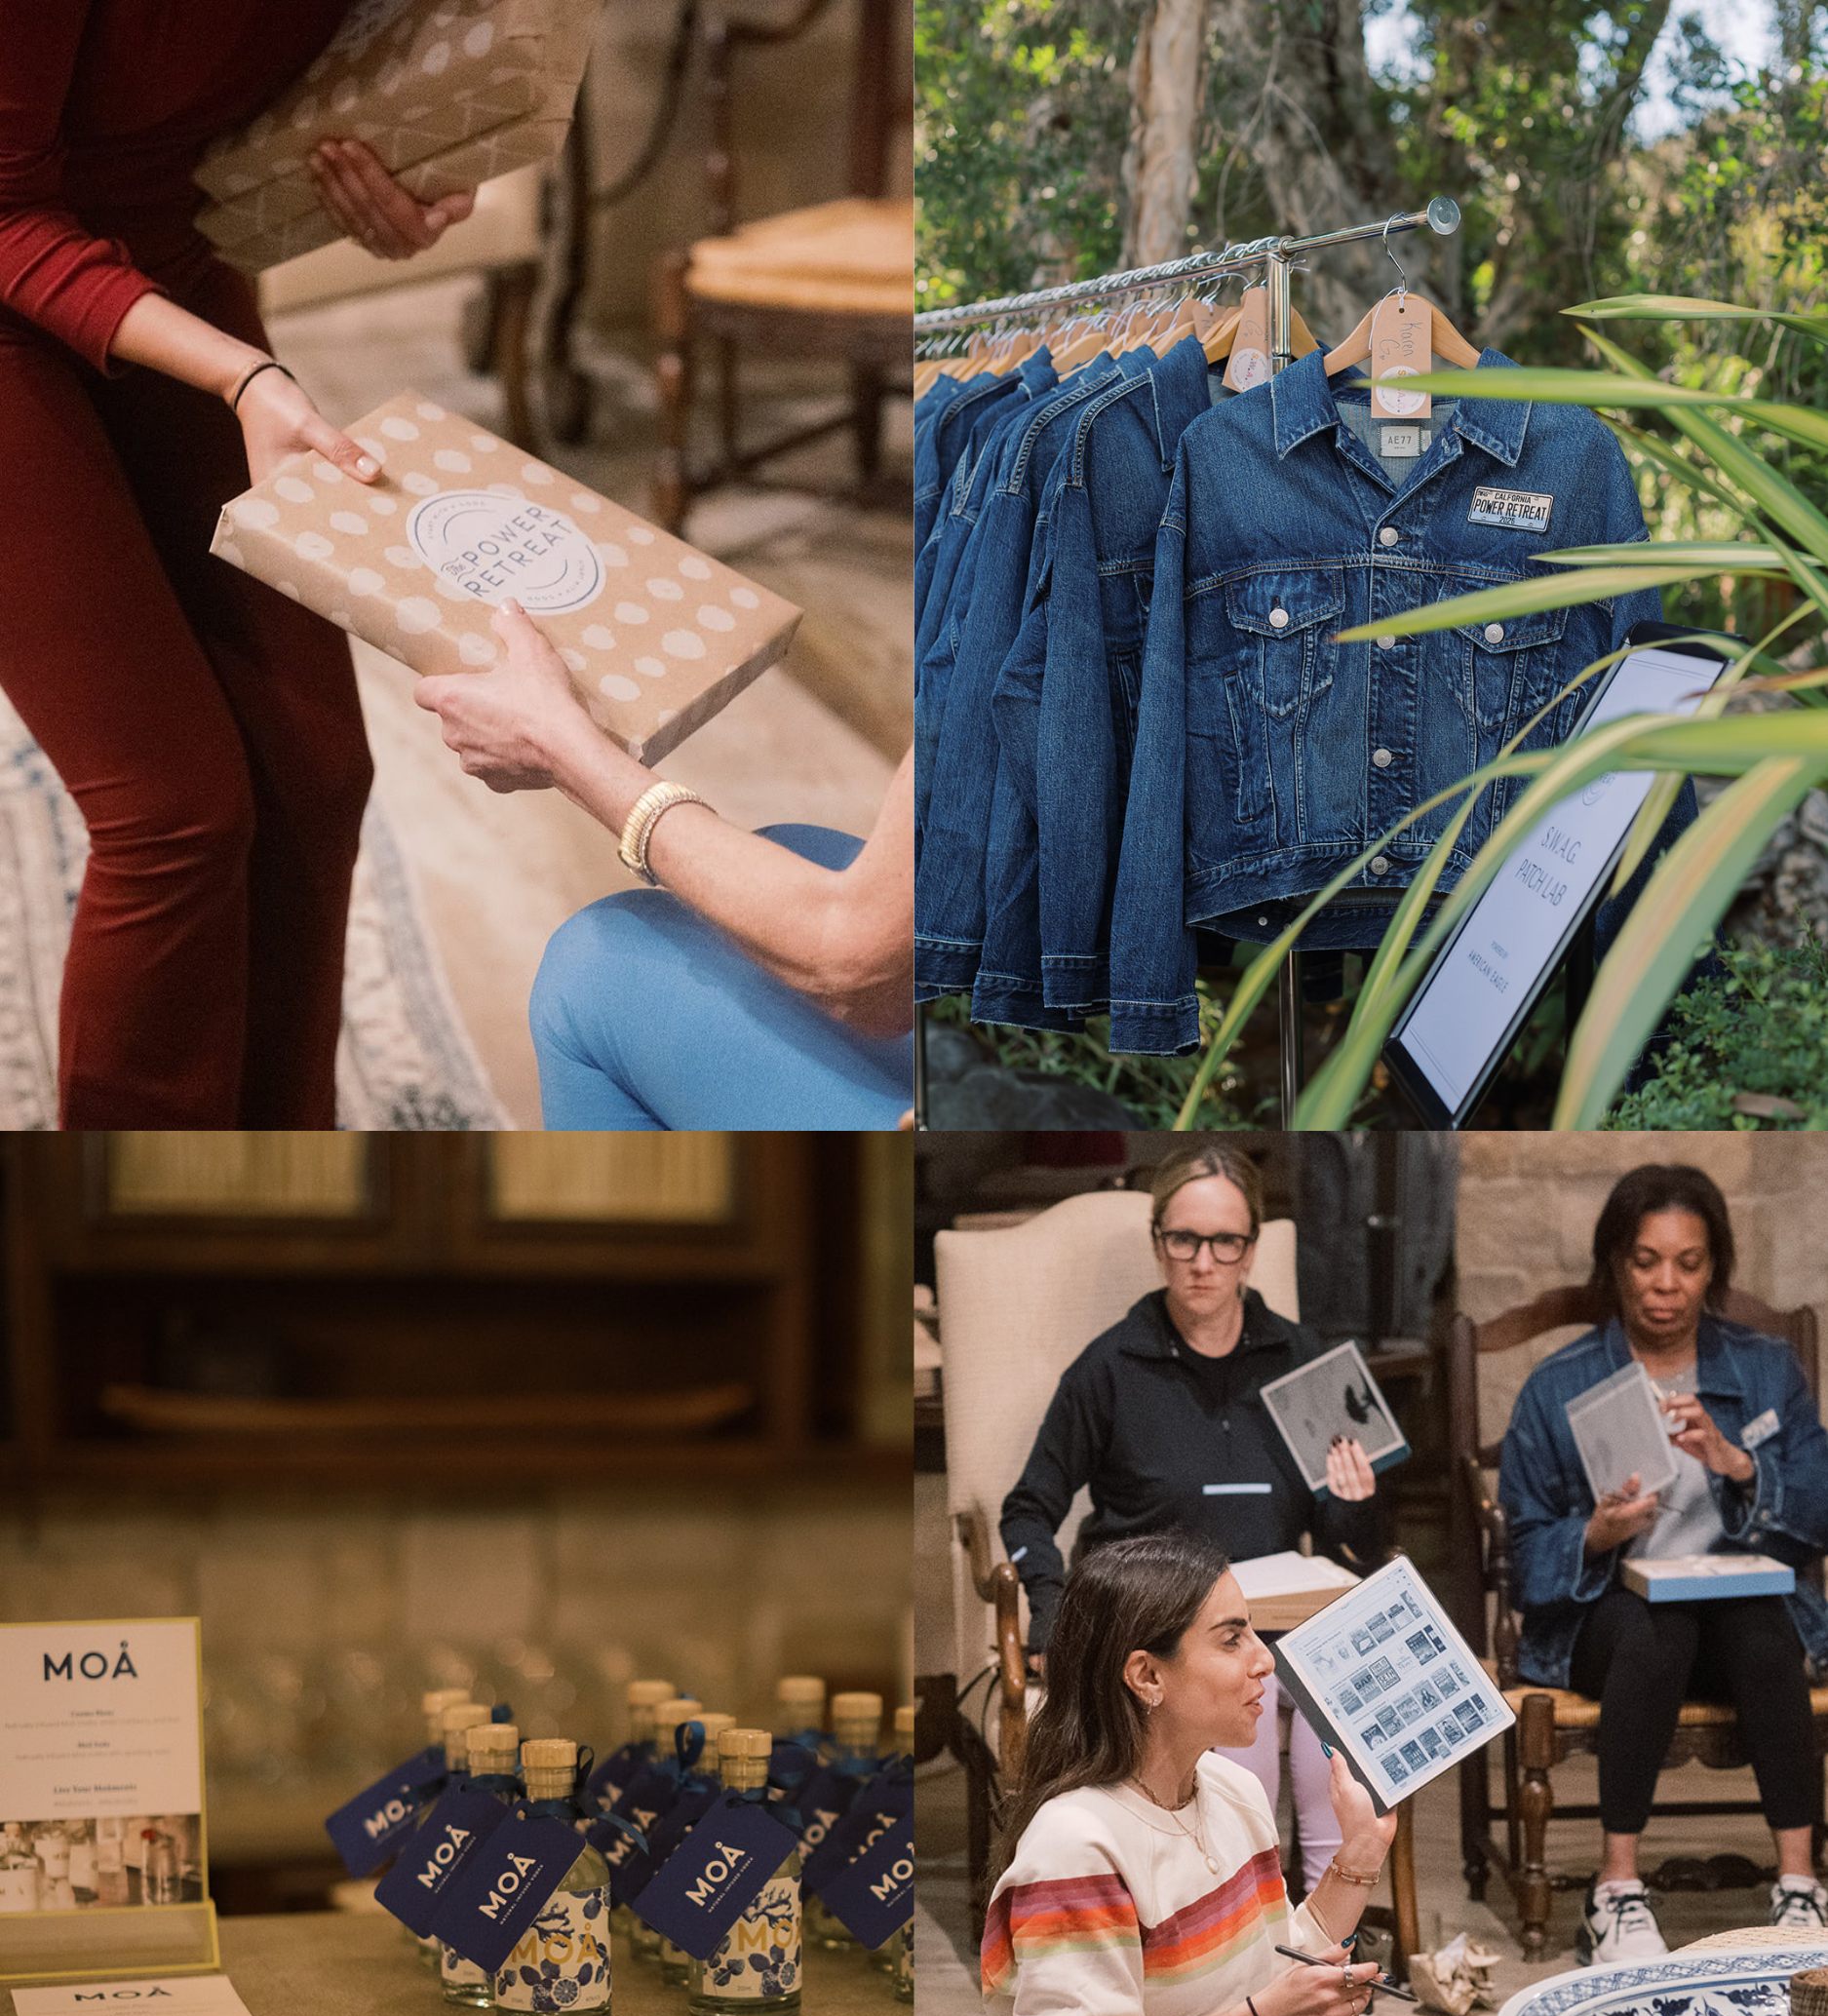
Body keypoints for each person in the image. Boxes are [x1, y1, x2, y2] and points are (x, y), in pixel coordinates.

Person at [0, 12, 478, 1126]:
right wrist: (244, 377)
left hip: (157, 254)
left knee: (317, 771)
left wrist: (397, 167)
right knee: (174, 813)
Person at [983, 1532, 1395, 2016]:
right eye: (1231, 1637)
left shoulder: (1232, 1791)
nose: (1264, 1660)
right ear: (1146, 1675)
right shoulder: (1075, 1845)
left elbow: (1272, 1969)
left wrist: (1356, 1860)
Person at [999, 1141, 1383, 1889]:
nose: (1202, 1262)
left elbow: (1355, 1545)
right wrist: (1048, 1613)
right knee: (1237, 1695)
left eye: (1224, 1242)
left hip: (1284, 1618)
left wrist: (1354, 1503)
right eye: (1183, 1239)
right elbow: (1026, 1509)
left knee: (1337, 1705)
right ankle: (1230, 1914)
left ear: (1250, 1250)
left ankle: (1324, 1923)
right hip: (1161, 1624)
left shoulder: (1303, 1358)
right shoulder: (1109, 1367)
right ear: (1157, 1244)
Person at [1499, 1161, 1828, 1964]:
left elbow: (1817, 1516)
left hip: (1738, 1618)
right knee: (1657, 1631)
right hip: (1609, 1624)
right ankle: (1615, 1889)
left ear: (1712, 1268)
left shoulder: (1763, 1368)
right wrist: (1596, 1532)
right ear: (1615, 1263)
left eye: (1688, 1262)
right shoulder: (1555, 1386)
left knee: (1764, 1628)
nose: (1665, 1284)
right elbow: (1524, 1559)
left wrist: (1738, 1465)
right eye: (1645, 1260)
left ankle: (1798, 1885)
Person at [414, 601, 913, 1130]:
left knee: (594, 966)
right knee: (789, 849)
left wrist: (557, 743)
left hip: (975, 1090)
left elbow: (860, 970)